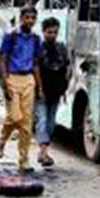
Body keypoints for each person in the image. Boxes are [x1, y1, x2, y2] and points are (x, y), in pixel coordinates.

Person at [0, 6, 43, 172]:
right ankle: (2, 139)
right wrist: (5, 82)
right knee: (15, 116)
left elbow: (35, 64)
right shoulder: (11, 36)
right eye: (27, 17)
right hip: (12, 78)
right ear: (21, 18)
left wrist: (40, 86)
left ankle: (23, 160)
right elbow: (1, 59)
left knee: (26, 123)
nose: (30, 21)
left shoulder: (36, 39)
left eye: (33, 18)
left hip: (28, 79)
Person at [35, 17, 71, 168]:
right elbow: (36, 68)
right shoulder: (39, 48)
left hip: (56, 92)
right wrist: (40, 88)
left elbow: (67, 66)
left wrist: (64, 85)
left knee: (50, 123)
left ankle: (43, 151)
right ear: (43, 32)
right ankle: (43, 153)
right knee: (42, 120)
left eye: (55, 32)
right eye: (49, 32)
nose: (52, 35)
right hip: (41, 91)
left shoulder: (61, 48)